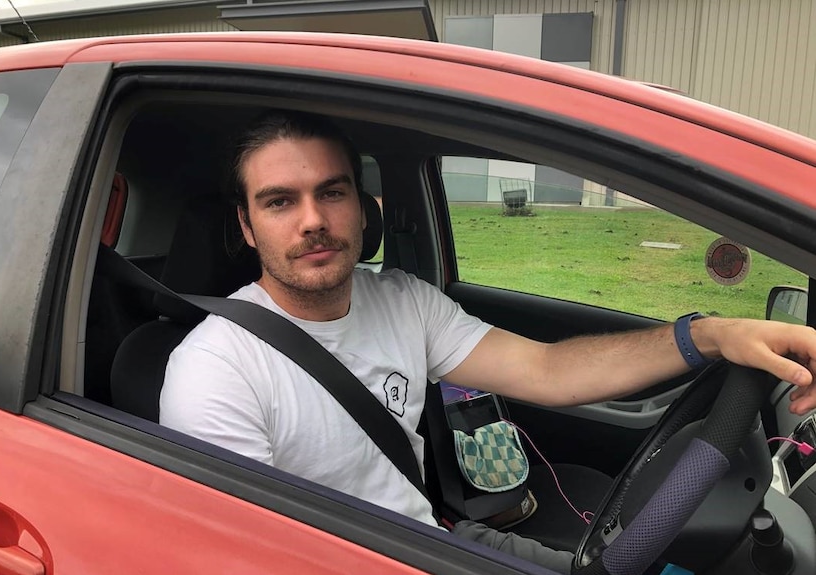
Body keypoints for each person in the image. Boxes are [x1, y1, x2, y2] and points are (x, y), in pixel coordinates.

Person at [160, 109, 816, 574]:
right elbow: (243, 555)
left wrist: (709, 334)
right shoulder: (216, 369)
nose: (312, 220)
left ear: (363, 210)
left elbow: (549, 369)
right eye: (279, 202)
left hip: (432, 536)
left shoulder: (402, 301)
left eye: (331, 192)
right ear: (246, 226)